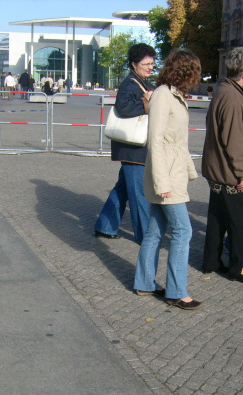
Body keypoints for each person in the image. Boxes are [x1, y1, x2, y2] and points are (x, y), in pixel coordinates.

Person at [133, 49, 202, 310]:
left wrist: (190, 170)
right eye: (195, 71)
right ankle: (175, 291)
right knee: (183, 230)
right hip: (166, 176)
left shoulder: (174, 95)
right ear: (186, 71)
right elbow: (157, 141)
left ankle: (144, 283)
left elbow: (179, 142)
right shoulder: (164, 95)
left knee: (155, 230)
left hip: (172, 172)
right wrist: (162, 182)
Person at [201, 47, 243, 284]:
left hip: (217, 170)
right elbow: (234, 140)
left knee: (218, 218)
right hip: (229, 174)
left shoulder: (223, 90)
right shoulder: (233, 97)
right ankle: (241, 268)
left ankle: (211, 261)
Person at [94, 43, 156, 244]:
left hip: (134, 148)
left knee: (122, 188)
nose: (150, 67)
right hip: (134, 149)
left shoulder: (142, 82)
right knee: (138, 196)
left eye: (152, 64)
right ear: (134, 64)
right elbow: (123, 108)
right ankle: (145, 238)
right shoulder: (131, 83)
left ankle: (105, 225)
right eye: (146, 64)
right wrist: (146, 104)